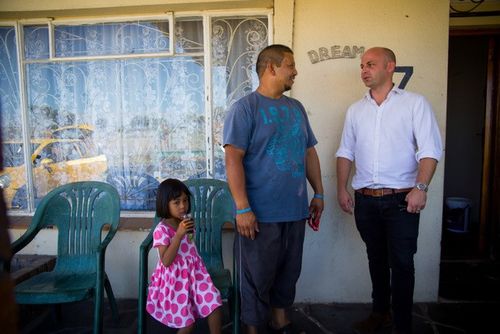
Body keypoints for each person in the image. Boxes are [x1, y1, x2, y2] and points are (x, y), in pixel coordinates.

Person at [336, 47, 443, 334]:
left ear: (390, 66)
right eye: (362, 66)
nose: (364, 70)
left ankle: (403, 324)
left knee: (403, 263)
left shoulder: (414, 104)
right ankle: (380, 313)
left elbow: (430, 150)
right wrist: (341, 189)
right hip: (366, 200)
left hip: (402, 200)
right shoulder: (355, 110)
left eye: (370, 64)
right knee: (377, 260)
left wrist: (420, 188)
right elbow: (345, 152)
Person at [223, 44, 324, 334]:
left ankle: (280, 319)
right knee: (257, 275)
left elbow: (309, 153)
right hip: (259, 214)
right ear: (271, 68)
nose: (295, 71)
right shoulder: (245, 109)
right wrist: (242, 207)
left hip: (295, 210)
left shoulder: (296, 108)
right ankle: (253, 327)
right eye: (290, 65)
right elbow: (233, 160)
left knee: (289, 270)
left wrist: (318, 192)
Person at [146, 178, 223, 334]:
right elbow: (166, 261)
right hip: (175, 281)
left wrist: (185, 232)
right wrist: (179, 235)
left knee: (214, 303)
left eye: (185, 200)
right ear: (165, 204)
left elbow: (190, 249)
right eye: (177, 202)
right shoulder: (161, 230)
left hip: (195, 274)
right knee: (188, 322)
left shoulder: (184, 222)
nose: (183, 206)